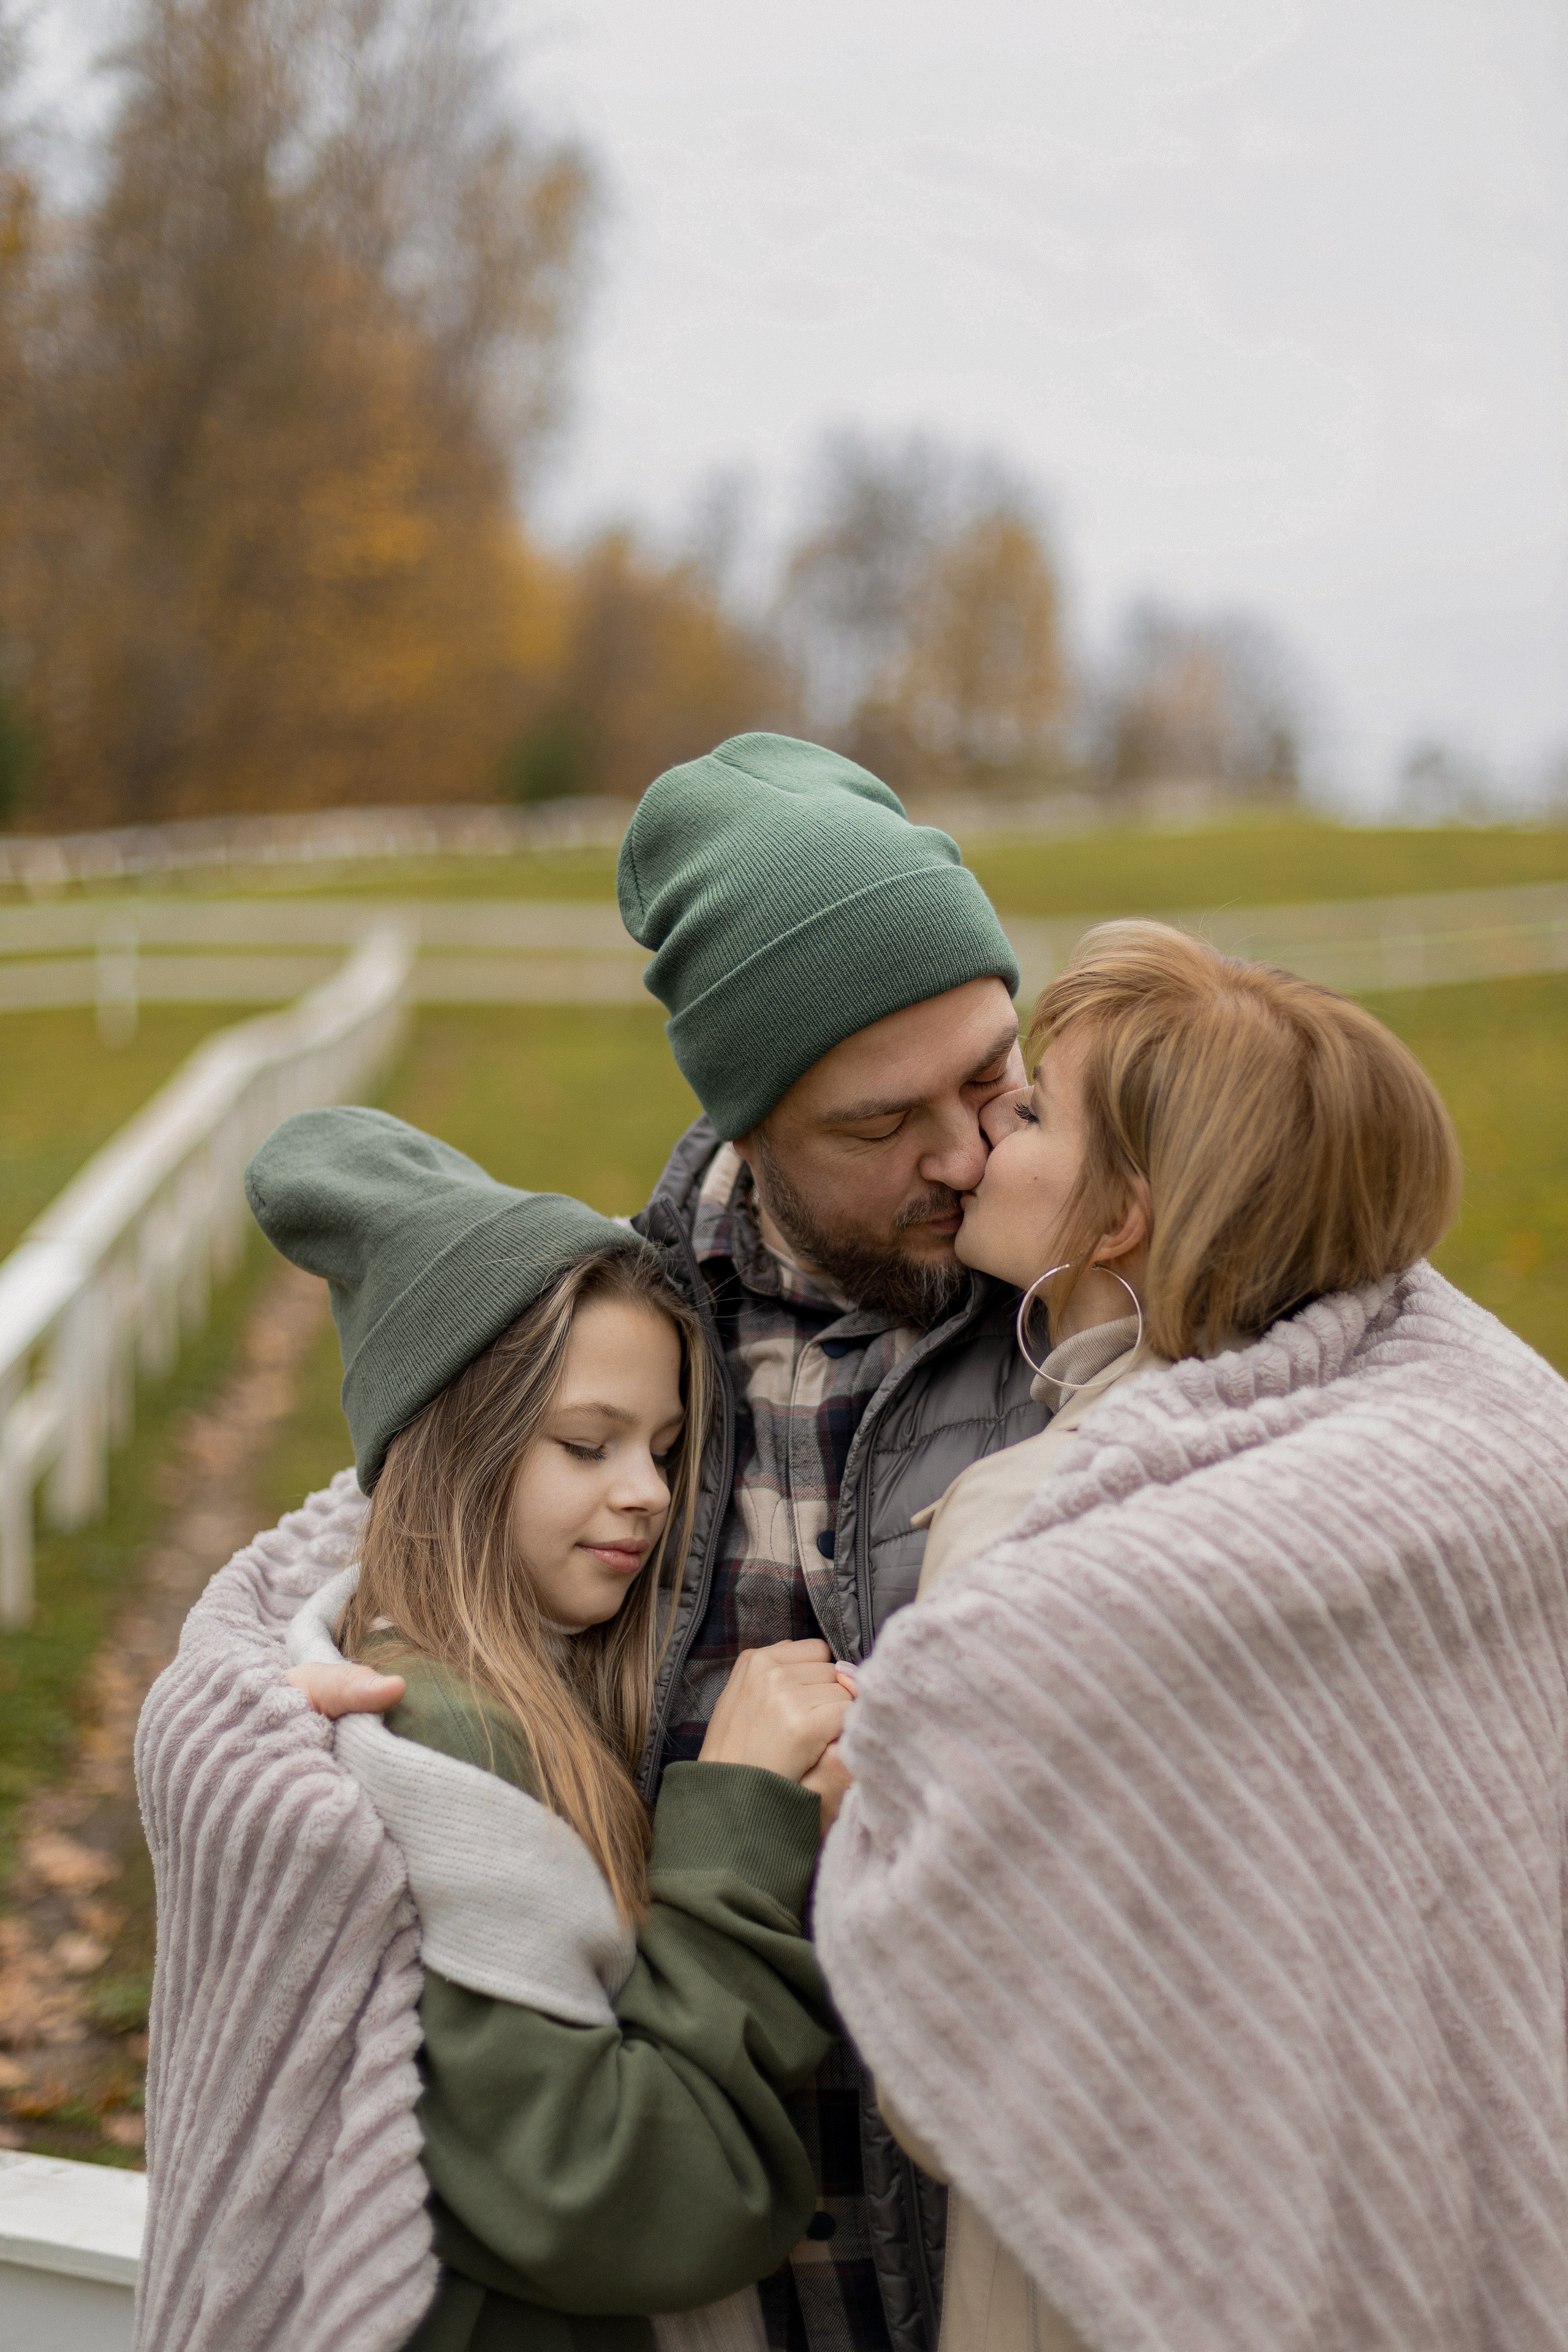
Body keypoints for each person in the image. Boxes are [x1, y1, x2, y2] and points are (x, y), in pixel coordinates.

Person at [292, 732, 1049, 2352]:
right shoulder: (624, 1349)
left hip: (1018, 2260)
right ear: (749, 1118)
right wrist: (253, 1687)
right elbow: (396, 1553)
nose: (971, 1156)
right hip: (707, 2271)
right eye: (885, 1121)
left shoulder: (1110, 1319)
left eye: (995, 1074)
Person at [812, 922, 1568, 2352]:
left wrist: (846, 1810)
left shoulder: (1040, 1535)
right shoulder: (1406, 1476)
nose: (977, 1140)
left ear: (1116, 1221)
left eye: (1027, 1112)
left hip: (1110, 2283)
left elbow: (950, 2063)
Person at [136, 1107, 858, 2352]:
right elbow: (638, 2198)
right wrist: (736, 1825)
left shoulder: (478, 1675)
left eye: (666, 1448)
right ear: (457, 1449)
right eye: (586, 1444)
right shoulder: (443, 1744)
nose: (643, 1490)